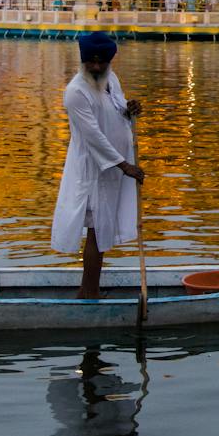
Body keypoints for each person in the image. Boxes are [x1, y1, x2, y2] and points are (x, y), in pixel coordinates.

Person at [50, 32, 145, 299]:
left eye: (100, 62)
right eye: (90, 62)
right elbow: (93, 136)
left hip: (112, 169)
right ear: (82, 61)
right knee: (95, 229)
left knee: (102, 228)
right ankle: (88, 292)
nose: (95, 67)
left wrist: (129, 109)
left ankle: (90, 289)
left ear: (109, 61)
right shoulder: (76, 92)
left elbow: (115, 109)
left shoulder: (110, 79)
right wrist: (125, 166)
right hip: (93, 170)